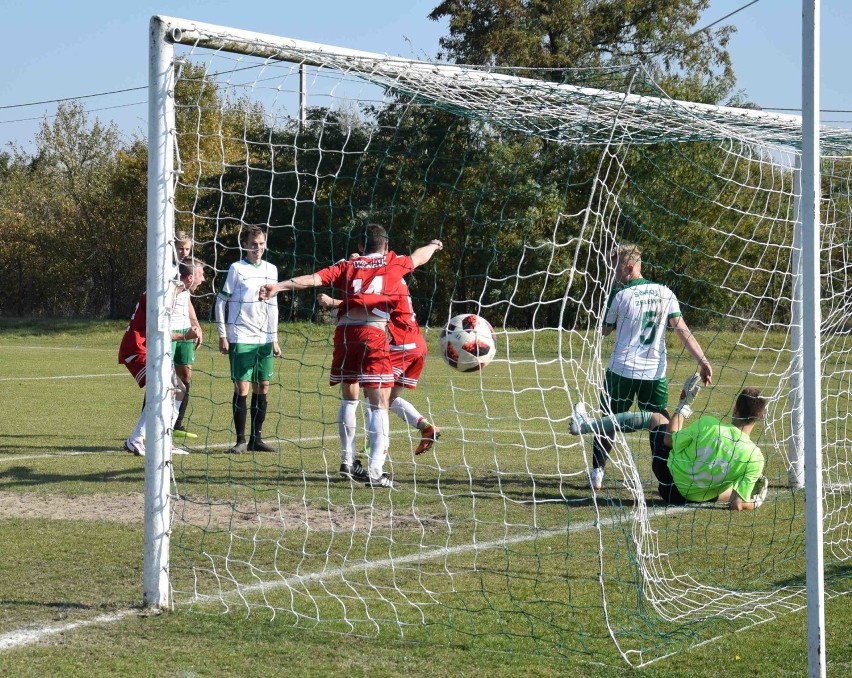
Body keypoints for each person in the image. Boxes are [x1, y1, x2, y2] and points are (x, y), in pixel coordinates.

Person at [260, 224, 443, 489]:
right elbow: (419, 256)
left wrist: (279, 286)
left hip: (345, 334)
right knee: (378, 403)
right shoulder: (393, 262)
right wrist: (434, 246)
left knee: (349, 397)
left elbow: (313, 278)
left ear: (359, 246)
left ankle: (347, 461)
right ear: (386, 245)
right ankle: (376, 472)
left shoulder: (347, 264)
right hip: (373, 333)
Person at [587, 242, 713, 491]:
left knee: (608, 420)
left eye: (615, 268)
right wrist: (703, 360)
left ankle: (597, 473)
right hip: (653, 373)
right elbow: (682, 329)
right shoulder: (665, 293)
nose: (613, 274)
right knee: (659, 421)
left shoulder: (620, 294)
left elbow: (603, 330)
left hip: (622, 370)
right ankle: (666, 475)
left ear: (629, 267)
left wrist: (609, 297)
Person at [570, 376, 769, 510]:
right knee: (731, 485)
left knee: (657, 418)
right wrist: (755, 501)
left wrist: (684, 405)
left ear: (735, 410)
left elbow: (668, 439)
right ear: (759, 419)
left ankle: (586, 425)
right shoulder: (755, 458)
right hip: (684, 497)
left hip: (667, 478)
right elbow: (737, 505)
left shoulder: (710, 425)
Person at [316, 257, 440, 457]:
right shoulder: (392, 275)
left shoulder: (386, 282)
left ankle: (378, 447)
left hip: (400, 343)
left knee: (372, 392)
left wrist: (333, 302)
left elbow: (366, 305)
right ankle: (425, 427)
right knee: (388, 398)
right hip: (416, 343)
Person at [120, 257, 207, 457]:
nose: (203, 280)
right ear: (190, 277)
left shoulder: (177, 292)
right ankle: (135, 439)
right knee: (164, 391)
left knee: (179, 389)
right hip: (137, 348)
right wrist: (187, 335)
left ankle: (165, 441)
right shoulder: (165, 296)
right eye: (201, 275)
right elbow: (158, 333)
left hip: (151, 348)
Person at [215, 226, 281, 454]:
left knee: (263, 386)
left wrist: (274, 338)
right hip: (241, 336)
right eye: (254, 244)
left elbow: (273, 305)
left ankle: (257, 439)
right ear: (244, 245)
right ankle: (241, 440)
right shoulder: (236, 269)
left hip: (264, 338)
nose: (258, 248)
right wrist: (223, 334)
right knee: (242, 387)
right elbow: (220, 302)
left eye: (261, 244)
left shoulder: (271, 269)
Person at [171, 231, 202, 440]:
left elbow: (187, 300)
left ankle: (177, 423)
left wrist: (195, 324)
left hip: (185, 330)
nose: (184, 252)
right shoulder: (166, 269)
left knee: (186, 376)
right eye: (181, 248)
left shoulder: (189, 270)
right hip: (169, 331)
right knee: (162, 378)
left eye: (187, 248)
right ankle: (152, 421)